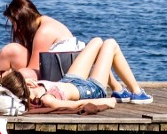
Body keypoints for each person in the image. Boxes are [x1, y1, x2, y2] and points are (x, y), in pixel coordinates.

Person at [11, 36, 153, 110]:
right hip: (90, 90)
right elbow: (79, 104)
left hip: (69, 80)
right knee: (110, 44)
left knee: (96, 42)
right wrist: (107, 102)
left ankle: (118, 90)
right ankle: (136, 93)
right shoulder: (46, 99)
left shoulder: (31, 86)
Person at [0, 0, 76, 82]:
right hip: (59, 71)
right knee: (13, 52)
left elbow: (32, 71)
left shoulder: (44, 33)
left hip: (56, 76)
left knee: (12, 52)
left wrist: (4, 76)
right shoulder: (46, 23)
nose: (15, 29)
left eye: (14, 24)